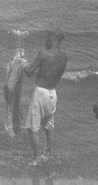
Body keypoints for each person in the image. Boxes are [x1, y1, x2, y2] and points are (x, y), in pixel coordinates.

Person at [23, 30, 67, 166]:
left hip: (40, 93)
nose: (45, 42)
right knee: (48, 125)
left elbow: (29, 72)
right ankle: (49, 152)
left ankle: (37, 158)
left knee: (32, 128)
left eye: (47, 39)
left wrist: (23, 62)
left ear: (52, 40)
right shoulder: (64, 56)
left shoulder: (43, 54)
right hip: (52, 93)